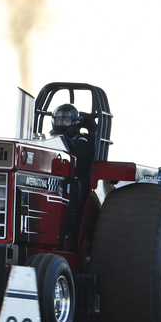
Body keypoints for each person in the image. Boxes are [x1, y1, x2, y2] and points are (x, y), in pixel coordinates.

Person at [51, 104, 95, 251]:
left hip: (77, 183)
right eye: (59, 120)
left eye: (66, 120)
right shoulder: (49, 140)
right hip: (55, 178)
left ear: (75, 122)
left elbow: (77, 151)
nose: (62, 124)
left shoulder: (84, 140)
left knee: (70, 186)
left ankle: (68, 234)